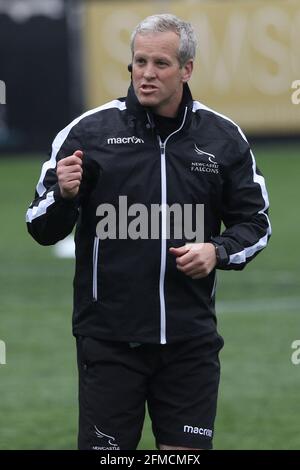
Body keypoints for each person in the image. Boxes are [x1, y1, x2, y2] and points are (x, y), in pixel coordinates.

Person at [26, 14, 271, 451]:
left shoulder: (222, 138)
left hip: (190, 341)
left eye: (160, 63)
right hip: (109, 341)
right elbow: (40, 227)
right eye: (140, 61)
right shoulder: (88, 133)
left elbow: (255, 224)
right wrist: (64, 196)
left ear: (187, 69)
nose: (147, 73)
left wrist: (216, 251)